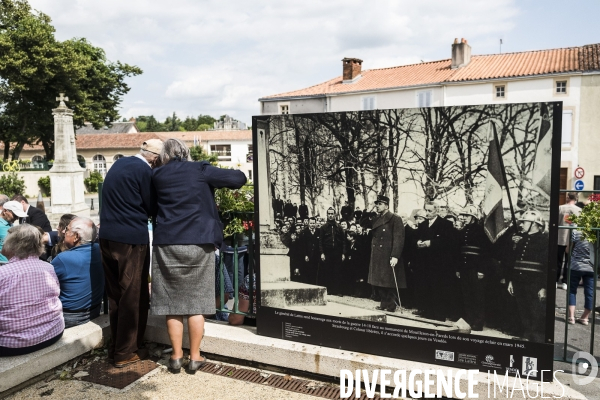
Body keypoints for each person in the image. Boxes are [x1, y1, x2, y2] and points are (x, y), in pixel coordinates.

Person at [151, 138, 246, 373]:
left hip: (166, 243)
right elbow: (238, 179)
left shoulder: (157, 175)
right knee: (196, 304)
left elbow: (150, 206)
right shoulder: (200, 169)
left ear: (165, 155)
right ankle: (195, 357)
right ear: (185, 152)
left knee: (172, 305)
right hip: (199, 241)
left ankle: (175, 356)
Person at [99, 139, 163, 367]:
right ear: (155, 159)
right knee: (133, 295)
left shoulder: (120, 164)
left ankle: (115, 348)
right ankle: (126, 352)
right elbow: (151, 206)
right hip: (130, 239)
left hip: (106, 236)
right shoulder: (144, 172)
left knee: (116, 295)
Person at [0, 225, 64, 356]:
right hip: (53, 333)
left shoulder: (3, 273)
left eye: (5, 239)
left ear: (14, 245)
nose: (3, 242)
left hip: (12, 344)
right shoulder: (48, 267)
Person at [52, 217, 104, 328]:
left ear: (76, 237)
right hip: (95, 310)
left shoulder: (63, 258)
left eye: (67, 229)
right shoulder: (100, 250)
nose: (63, 231)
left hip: (69, 316)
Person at [359, 195, 406, 312]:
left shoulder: (395, 218)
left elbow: (399, 238)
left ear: (386, 205)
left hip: (388, 254)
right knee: (380, 281)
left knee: (388, 281)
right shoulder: (376, 218)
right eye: (376, 204)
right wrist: (368, 210)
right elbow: (363, 223)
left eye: (379, 204)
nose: (377, 206)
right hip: (378, 254)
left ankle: (390, 306)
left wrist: (395, 255)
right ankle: (383, 304)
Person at [507, 210, 547, 342]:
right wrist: (512, 281)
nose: (522, 225)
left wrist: (543, 287)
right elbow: (515, 262)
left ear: (534, 224)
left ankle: (536, 338)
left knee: (535, 311)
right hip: (519, 281)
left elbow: (547, 267)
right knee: (522, 309)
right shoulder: (522, 240)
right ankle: (526, 335)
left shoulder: (544, 241)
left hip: (534, 283)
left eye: (525, 222)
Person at [412, 201, 456, 321]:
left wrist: (430, 243)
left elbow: (448, 242)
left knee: (438, 289)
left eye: (430, 211)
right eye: (426, 210)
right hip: (424, 263)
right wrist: (418, 242)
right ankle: (428, 312)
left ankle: (439, 314)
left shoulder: (445, 224)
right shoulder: (423, 225)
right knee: (426, 286)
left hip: (439, 263)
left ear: (436, 210)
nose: (427, 213)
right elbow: (416, 237)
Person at [455, 205, 490, 331]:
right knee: (467, 295)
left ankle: (478, 322)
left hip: (476, 269)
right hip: (464, 268)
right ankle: (469, 319)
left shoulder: (481, 231)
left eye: (467, 216)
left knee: (478, 296)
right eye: (463, 216)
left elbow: (485, 253)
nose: (464, 218)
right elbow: (460, 252)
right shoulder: (463, 231)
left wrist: (482, 270)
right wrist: (458, 268)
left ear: (474, 217)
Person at [567, 229, 595, 326]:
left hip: (576, 266)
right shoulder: (596, 233)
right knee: (589, 293)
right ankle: (585, 317)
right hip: (592, 267)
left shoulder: (576, 232)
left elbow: (567, 250)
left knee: (572, 291)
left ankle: (571, 317)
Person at [318, 207, 346, 296]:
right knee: (328, 271)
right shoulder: (323, 228)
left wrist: (343, 253)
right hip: (328, 252)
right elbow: (320, 242)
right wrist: (322, 253)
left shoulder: (339, 227)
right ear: (327, 215)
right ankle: (330, 290)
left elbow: (344, 241)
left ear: (335, 215)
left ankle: (338, 290)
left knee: (338, 271)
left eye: (332, 214)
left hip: (337, 252)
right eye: (329, 214)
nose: (330, 215)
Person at [557, 193, 581, 289]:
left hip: (560, 237)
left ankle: (555, 280)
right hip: (572, 239)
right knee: (569, 261)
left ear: (568, 197)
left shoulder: (560, 208)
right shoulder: (579, 210)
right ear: (575, 199)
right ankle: (565, 282)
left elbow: (556, 222)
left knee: (558, 260)